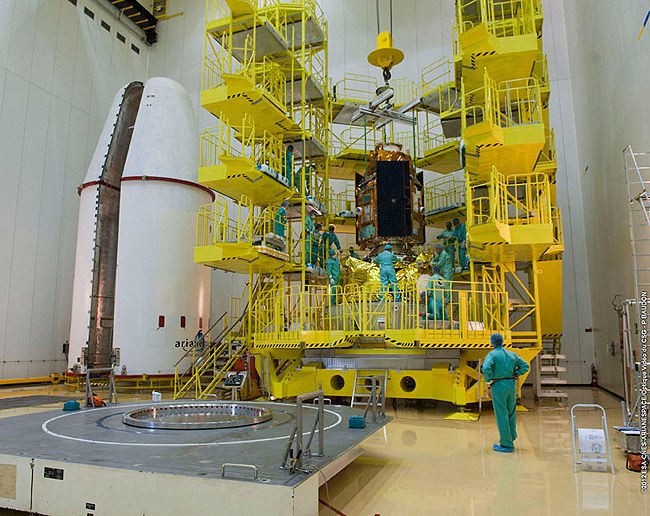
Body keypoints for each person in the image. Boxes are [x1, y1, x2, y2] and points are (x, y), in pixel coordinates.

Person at [481, 333, 530, 453]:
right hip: (511, 385)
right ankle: (511, 437)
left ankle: (506, 444)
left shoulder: (492, 354)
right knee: (511, 412)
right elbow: (525, 366)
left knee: (501, 413)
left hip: (498, 385)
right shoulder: (511, 354)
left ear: (492, 342)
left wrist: (488, 380)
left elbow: (486, 368)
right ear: (502, 341)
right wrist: (516, 374)